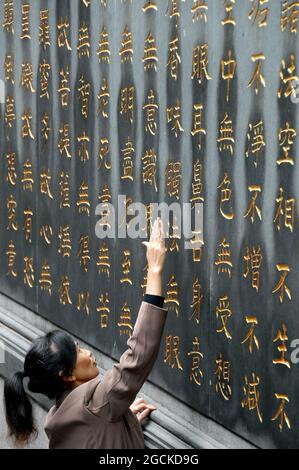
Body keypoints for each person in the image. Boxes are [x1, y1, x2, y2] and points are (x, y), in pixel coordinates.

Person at [4, 217, 168, 449]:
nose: (88, 352)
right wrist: (154, 270)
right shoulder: (97, 405)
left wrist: (123, 423)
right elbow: (137, 357)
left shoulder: (60, 418)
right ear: (67, 375)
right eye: (78, 350)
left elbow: (98, 430)